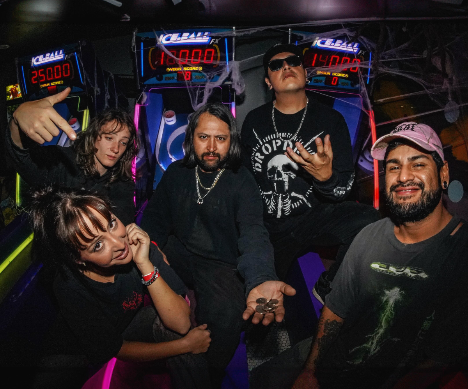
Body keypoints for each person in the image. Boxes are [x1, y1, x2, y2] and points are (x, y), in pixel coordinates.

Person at [279, 122, 468, 389]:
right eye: (393, 167)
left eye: (418, 164)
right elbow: (335, 310)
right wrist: (310, 370)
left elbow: (441, 357)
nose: (403, 177)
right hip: (332, 365)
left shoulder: (460, 253)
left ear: (443, 172)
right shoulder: (369, 235)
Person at [140, 102, 296, 387]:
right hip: (179, 251)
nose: (211, 147)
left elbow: (253, 232)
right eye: (203, 137)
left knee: (226, 318)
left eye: (220, 139)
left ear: (230, 142)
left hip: (220, 263)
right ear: (191, 139)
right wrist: (152, 247)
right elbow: (155, 220)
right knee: (141, 269)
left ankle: (209, 375)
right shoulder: (176, 173)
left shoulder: (242, 181)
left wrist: (261, 278)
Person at [29, 187, 212, 389]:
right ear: (78, 260)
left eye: (112, 224)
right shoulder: (69, 286)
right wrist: (184, 346)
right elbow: (114, 349)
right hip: (85, 359)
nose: (118, 243)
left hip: (130, 326)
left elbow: (181, 323)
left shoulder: (138, 243)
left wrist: (145, 264)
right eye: (98, 245)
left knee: (170, 323)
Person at [241, 43, 380, 303]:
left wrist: (326, 178)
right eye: (276, 65)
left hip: (312, 218)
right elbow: (245, 182)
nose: (286, 67)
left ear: (306, 73)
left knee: (371, 222)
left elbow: (344, 188)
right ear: (268, 82)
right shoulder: (254, 121)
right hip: (268, 229)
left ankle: (328, 287)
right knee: (263, 305)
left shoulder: (330, 120)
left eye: (294, 62)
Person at [5, 87, 136, 224]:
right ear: (93, 136)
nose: (116, 148)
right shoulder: (65, 162)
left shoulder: (122, 184)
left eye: (123, 142)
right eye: (109, 138)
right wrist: (17, 120)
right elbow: (23, 158)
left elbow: (121, 226)